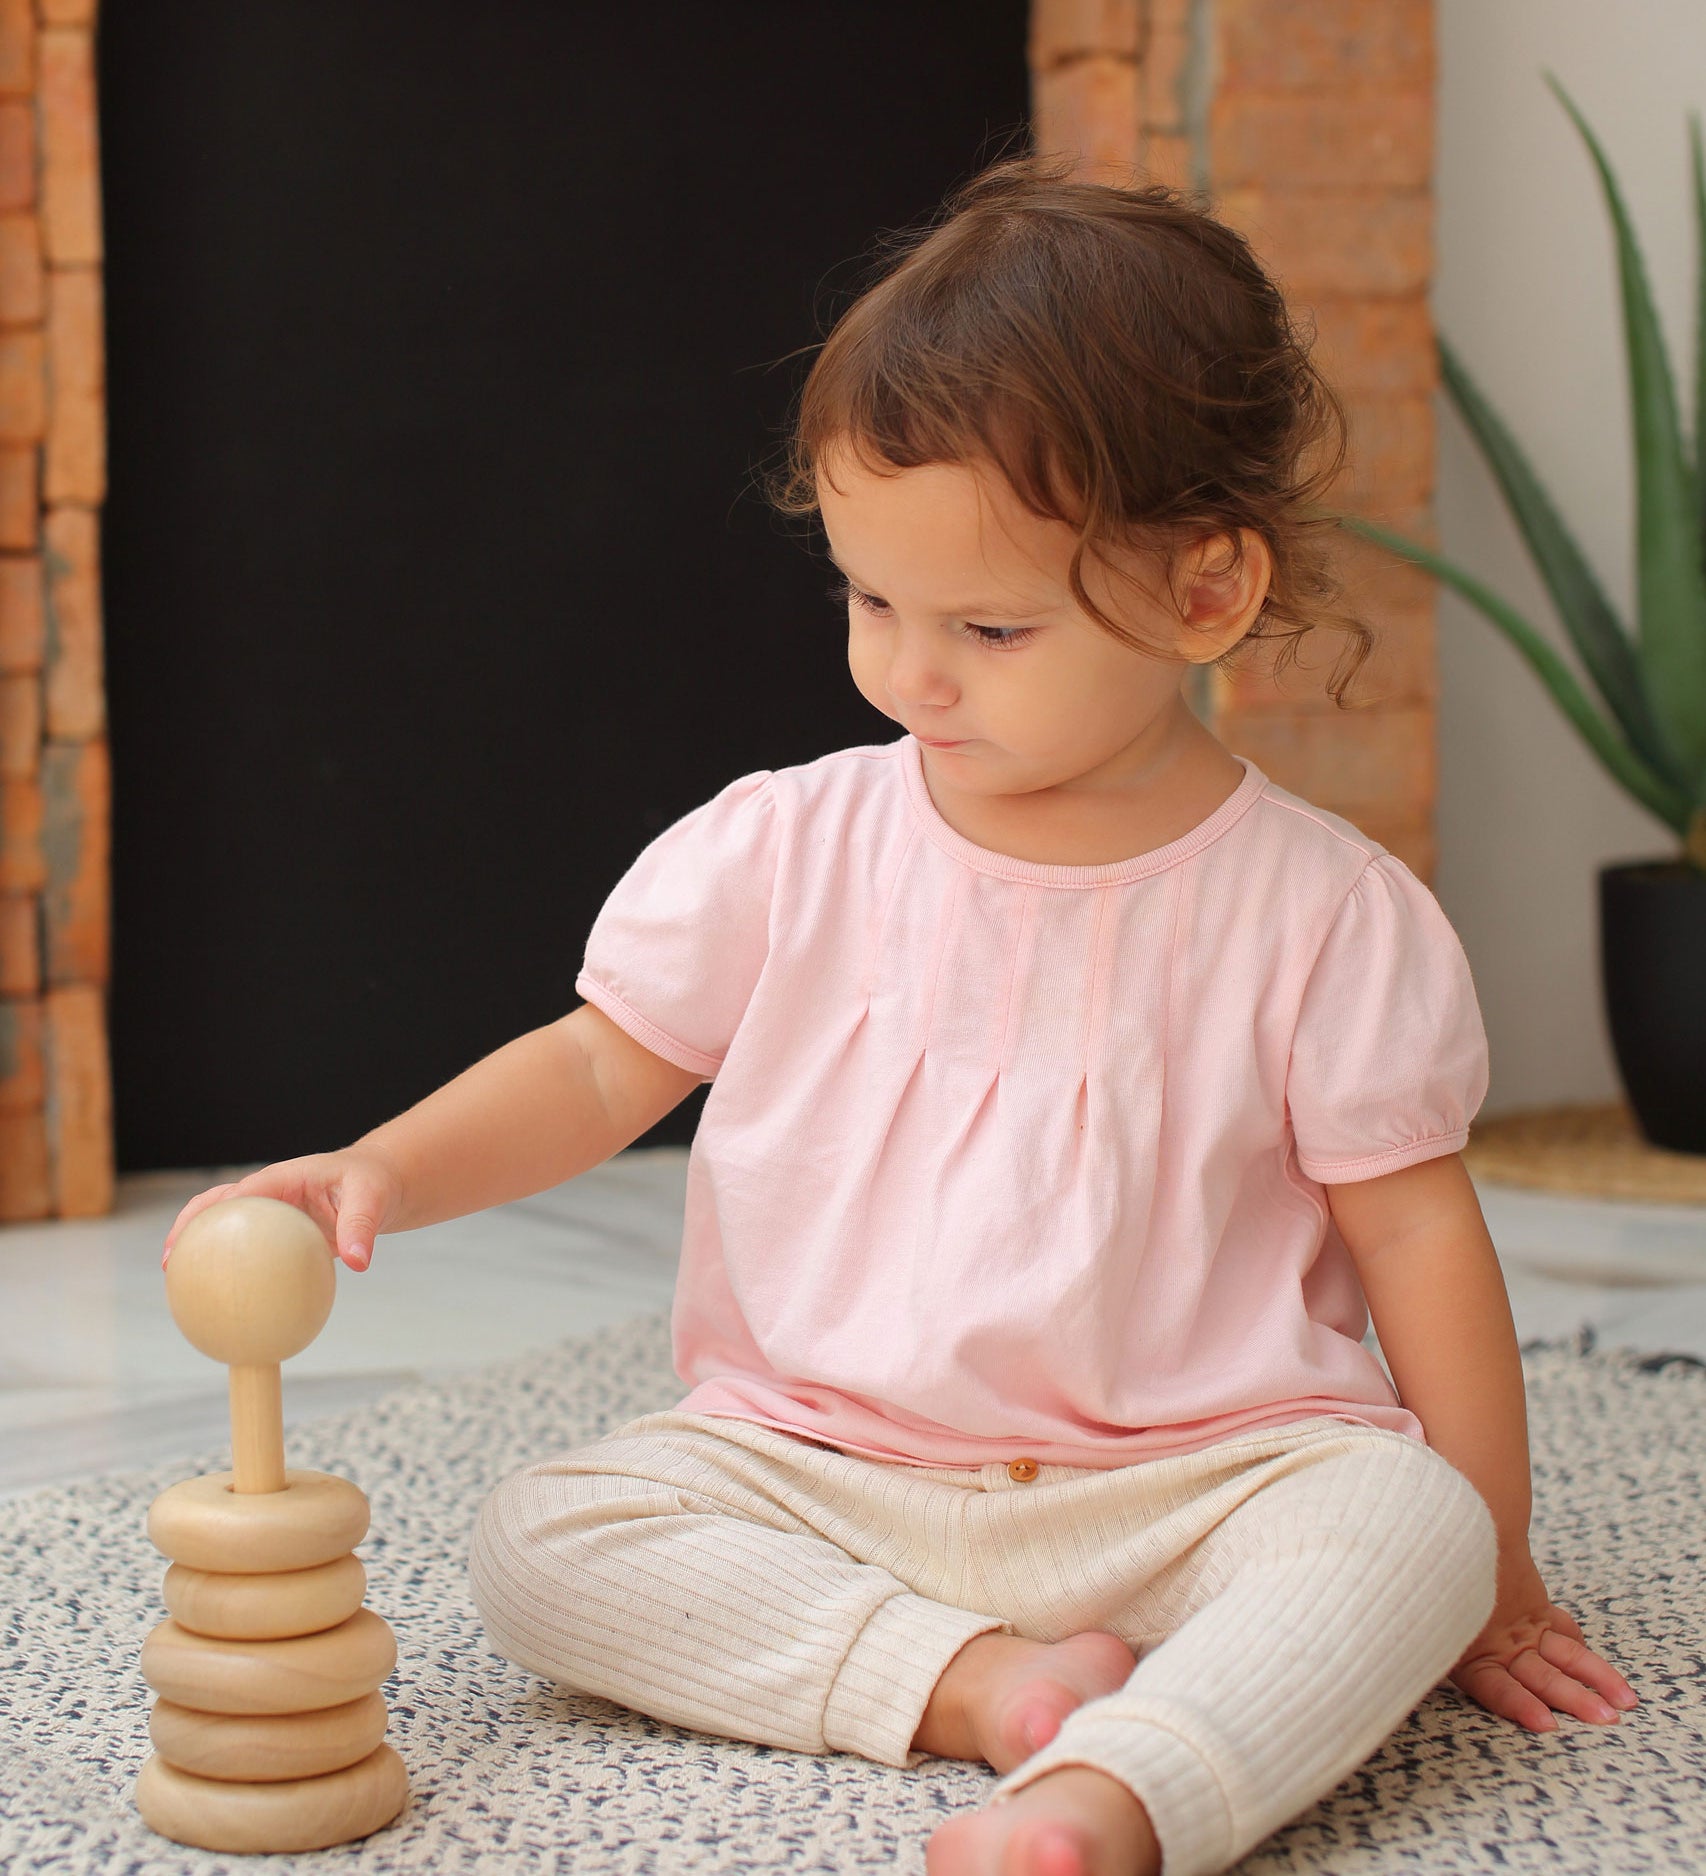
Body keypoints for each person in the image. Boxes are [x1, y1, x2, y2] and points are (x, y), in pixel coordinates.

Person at [165, 154, 1639, 1876]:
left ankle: (1119, 1795)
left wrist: (1493, 1566)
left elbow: (1417, 1251)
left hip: (1200, 1479)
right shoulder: (788, 846)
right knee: (543, 1538)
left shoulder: (1325, 914)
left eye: (988, 627)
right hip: (824, 1467)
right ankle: (990, 1694)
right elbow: (592, 1067)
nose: (907, 673)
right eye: (871, 602)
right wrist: (383, 1170)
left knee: (1404, 1527)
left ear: (1206, 593)